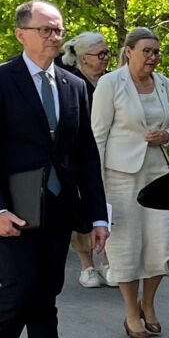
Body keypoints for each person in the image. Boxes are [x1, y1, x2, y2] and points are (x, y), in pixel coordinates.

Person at [0, 0, 108, 338]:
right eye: (45, 30)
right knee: (20, 288)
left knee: (45, 297)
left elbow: (86, 153)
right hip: (13, 207)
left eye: (58, 30)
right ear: (21, 34)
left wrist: (99, 215)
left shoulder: (74, 86)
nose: (53, 37)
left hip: (59, 207)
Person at [91, 27, 169, 338]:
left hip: (158, 175)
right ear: (128, 51)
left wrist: (167, 136)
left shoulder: (164, 84)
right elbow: (98, 135)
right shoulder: (110, 84)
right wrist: (95, 185)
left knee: (160, 246)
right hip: (119, 175)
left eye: (156, 52)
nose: (152, 57)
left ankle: (148, 303)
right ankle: (130, 312)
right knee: (125, 247)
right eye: (146, 51)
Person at [60, 31, 112, 288]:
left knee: (110, 206)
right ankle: (87, 266)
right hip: (79, 156)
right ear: (83, 58)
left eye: (107, 53)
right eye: (100, 54)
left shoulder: (113, 81)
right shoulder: (71, 82)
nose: (105, 59)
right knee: (81, 208)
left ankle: (110, 261)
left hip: (112, 153)